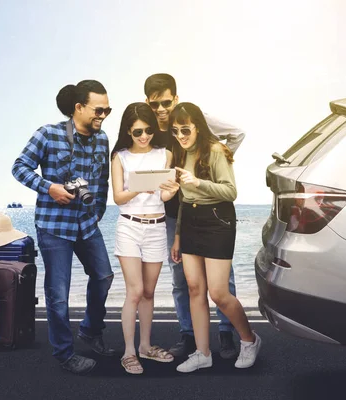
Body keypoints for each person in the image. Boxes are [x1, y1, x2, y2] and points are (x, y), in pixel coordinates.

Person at [12, 80, 115, 375]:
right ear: (78, 108)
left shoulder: (102, 138)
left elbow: (103, 180)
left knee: (104, 276)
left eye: (108, 110)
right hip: (54, 226)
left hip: (87, 223)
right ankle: (64, 353)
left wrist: (98, 211)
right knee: (58, 294)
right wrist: (49, 188)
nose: (103, 115)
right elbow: (19, 167)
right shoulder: (48, 134)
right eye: (98, 110)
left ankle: (90, 330)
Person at [143, 73, 246, 359]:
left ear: (175, 99)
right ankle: (189, 336)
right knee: (182, 279)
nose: (161, 110)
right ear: (148, 104)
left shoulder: (192, 117)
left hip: (208, 208)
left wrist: (209, 165)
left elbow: (237, 133)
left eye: (166, 102)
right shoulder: (148, 128)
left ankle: (227, 333)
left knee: (222, 281)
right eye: (155, 104)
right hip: (175, 213)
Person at [169, 102, 262, 373]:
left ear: (198, 126)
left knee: (219, 293)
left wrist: (197, 182)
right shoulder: (179, 153)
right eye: (175, 131)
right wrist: (177, 237)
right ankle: (202, 353)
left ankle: (250, 340)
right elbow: (184, 200)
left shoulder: (216, 150)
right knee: (195, 289)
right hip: (190, 223)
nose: (181, 136)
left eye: (185, 129)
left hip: (217, 220)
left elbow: (230, 192)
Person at [110, 102, 180, 374]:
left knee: (149, 293)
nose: (143, 136)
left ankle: (145, 347)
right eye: (138, 131)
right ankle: (128, 352)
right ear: (128, 130)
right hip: (129, 226)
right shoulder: (120, 157)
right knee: (135, 291)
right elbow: (118, 198)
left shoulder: (165, 155)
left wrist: (171, 191)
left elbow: (162, 196)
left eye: (148, 130)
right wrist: (141, 186)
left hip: (157, 227)